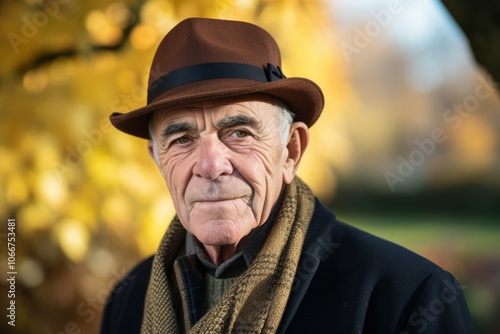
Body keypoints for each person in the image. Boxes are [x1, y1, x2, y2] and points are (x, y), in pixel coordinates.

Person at [101, 18, 475, 334]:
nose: (211, 165)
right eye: (182, 139)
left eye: (240, 133)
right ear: (158, 158)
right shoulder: (129, 299)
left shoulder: (406, 297)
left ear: (291, 150)